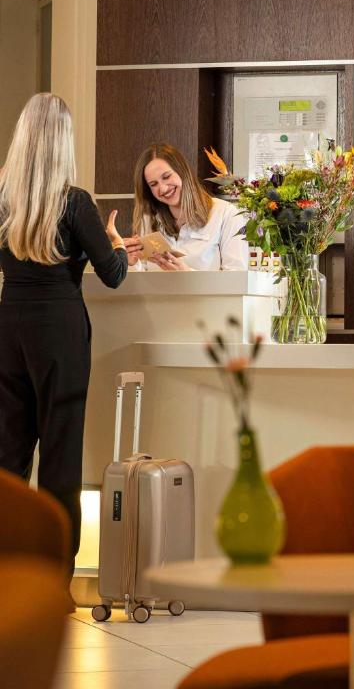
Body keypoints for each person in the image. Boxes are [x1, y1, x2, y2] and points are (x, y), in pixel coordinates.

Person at [0, 93, 128, 579]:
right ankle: (53, 574)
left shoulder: (2, 199)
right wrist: (118, 244)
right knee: (60, 453)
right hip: (59, 331)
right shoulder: (74, 203)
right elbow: (113, 273)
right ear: (62, 143)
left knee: (8, 452)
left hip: (8, 325)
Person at [123, 143, 247, 270]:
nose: (163, 188)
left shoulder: (226, 214)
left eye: (166, 177)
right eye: (153, 184)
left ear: (182, 171)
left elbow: (237, 279)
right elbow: (141, 279)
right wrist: (131, 263)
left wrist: (187, 275)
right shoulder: (148, 219)